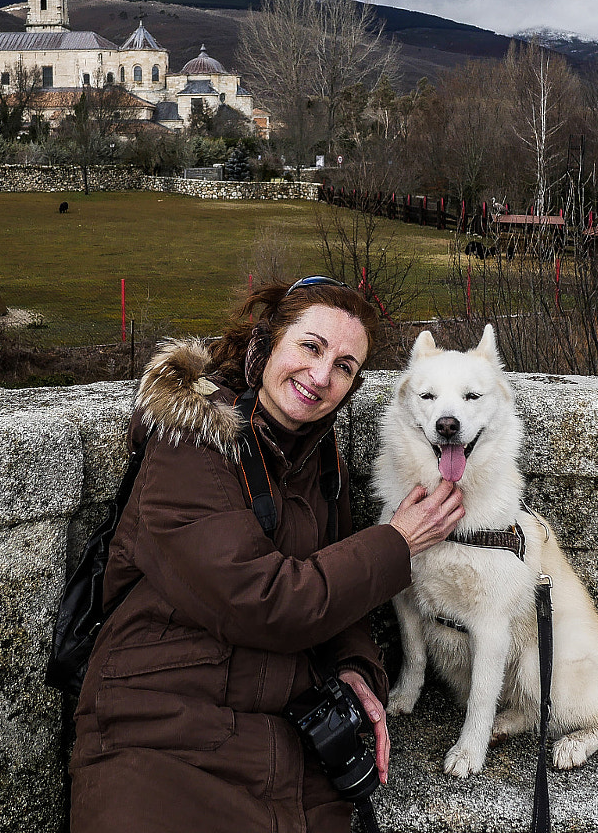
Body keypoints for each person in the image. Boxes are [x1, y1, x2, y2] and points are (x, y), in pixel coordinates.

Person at [69, 277, 467, 833]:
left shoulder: (322, 465)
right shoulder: (191, 443)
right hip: (158, 731)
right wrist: (398, 542)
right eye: (310, 347)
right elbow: (260, 601)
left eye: (345, 366)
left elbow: (344, 602)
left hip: (286, 745)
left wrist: (355, 670)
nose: (322, 376)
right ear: (265, 344)